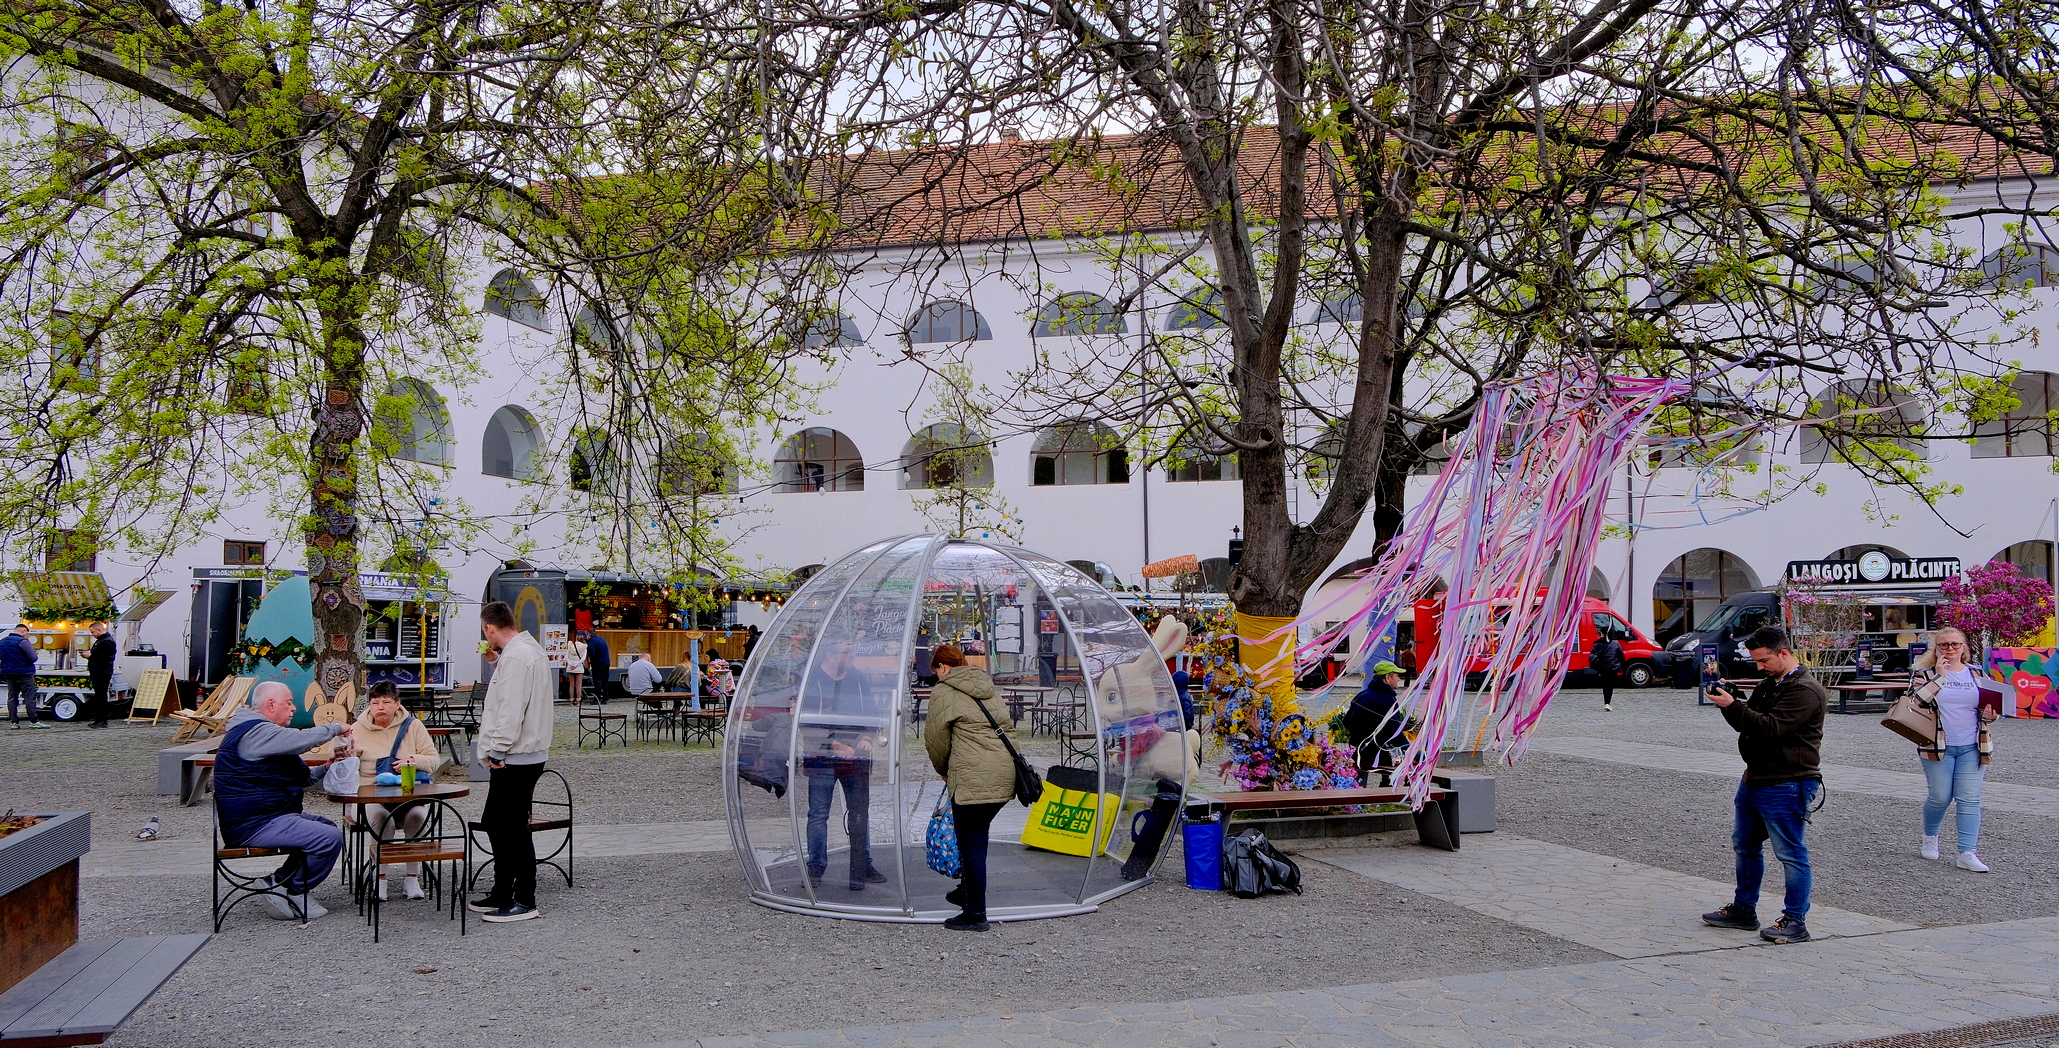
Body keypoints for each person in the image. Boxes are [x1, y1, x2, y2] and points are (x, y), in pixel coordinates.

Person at [1701, 625, 1828, 944]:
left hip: (1787, 782)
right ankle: (1744, 909)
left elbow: (1771, 729)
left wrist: (1733, 705)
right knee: (1745, 845)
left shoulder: (1805, 690)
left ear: (1784, 653)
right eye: (1756, 661)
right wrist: (1729, 701)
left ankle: (1796, 920)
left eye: (1763, 660)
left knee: (1791, 853)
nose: (1759, 667)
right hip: (1755, 778)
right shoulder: (1772, 682)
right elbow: (1748, 722)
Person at [216, 681, 352, 919]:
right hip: (254, 823)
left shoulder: (265, 736)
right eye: (288, 703)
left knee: (327, 828)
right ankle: (293, 889)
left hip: (266, 816)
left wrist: (328, 766)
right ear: (270, 704)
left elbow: (302, 779)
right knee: (329, 838)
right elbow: (303, 739)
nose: (293, 709)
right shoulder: (256, 731)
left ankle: (279, 883)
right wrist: (336, 728)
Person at [922, 643, 1017, 931]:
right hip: (1003, 774)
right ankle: (966, 893)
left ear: (943, 667)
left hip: (972, 777)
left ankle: (975, 913)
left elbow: (936, 740)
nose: (937, 675)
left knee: (972, 845)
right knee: (975, 839)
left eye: (936, 670)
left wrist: (943, 771)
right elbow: (1008, 729)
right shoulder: (986, 685)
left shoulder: (944, 691)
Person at [472, 600, 555, 923]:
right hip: (521, 752)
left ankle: (524, 897)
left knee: (513, 827)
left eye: (486, 631)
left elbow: (511, 707)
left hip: (515, 755)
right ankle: (503, 889)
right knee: (497, 822)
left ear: (489, 629)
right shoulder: (524, 651)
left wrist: (497, 749)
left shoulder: (518, 657)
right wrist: (497, 661)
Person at [1909, 627, 2008, 872]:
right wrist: (1940, 677)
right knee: (1940, 797)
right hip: (1937, 744)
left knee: (1969, 799)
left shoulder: (1976, 673)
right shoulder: (1925, 673)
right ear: (1936, 648)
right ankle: (1930, 835)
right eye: (1944, 645)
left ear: (1964, 647)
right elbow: (1916, 702)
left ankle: (1967, 852)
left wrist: (1991, 715)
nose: (1950, 649)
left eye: (1955, 644)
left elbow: (1989, 708)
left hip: (1973, 745)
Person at [347, 681, 445, 901]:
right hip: (369, 795)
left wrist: (414, 760)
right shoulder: (356, 729)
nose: (380, 707)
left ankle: (412, 877)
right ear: (369, 705)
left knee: (418, 816)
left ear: (397, 704)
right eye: (375, 703)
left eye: (386, 702)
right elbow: (345, 765)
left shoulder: (413, 726)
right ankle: (380, 878)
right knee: (383, 820)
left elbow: (433, 760)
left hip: (405, 796)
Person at [801, 638, 885, 891]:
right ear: (829, 654)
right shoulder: (812, 680)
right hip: (822, 755)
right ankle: (816, 866)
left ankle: (862, 865)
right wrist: (836, 745)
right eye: (845, 653)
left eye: (852, 653)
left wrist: (867, 738)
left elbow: (871, 713)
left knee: (860, 813)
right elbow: (808, 722)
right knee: (818, 814)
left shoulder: (858, 679)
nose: (850, 658)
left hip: (856, 755)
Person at [1344, 661, 1410, 784]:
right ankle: (1388, 796)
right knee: (1397, 769)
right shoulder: (1386, 700)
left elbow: (1347, 722)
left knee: (1357, 782)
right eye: (1396, 675)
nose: (1399, 679)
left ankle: (1359, 798)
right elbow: (1393, 729)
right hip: (1375, 752)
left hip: (1357, 748)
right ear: (1387, 677)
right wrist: (1408, 748)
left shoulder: (1362, 695)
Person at [2, 623, 44, 729]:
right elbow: (33, 657)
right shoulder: (23, 642)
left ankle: (14, 722)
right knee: (29, 697)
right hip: (24, 673)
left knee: (12, 697)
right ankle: (34, 721)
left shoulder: (2, 642)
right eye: (27, 633)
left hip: (9, 674)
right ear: (23, 631)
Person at [85, 621, 115, 728]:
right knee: (99, 696)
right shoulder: (102, 641)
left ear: (99, 630)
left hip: (102, 672)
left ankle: (102, 720)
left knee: (101, 696)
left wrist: (90, 656)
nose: (92, 634)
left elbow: (103, 657)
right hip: (100, 671)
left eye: (93, 632)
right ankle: (100, 719)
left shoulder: (106, 642)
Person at [1590, 629, 1625, 712]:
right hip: (1613, 668)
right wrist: (1622, 667)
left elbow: (1592, 655)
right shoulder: (1616, 644)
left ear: (1603, 634)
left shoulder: (1597, 644)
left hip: (1603, 668)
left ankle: (1607, 702)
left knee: (1605, 685)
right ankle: (1608, 703)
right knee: (1610, 685)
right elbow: (1621, 656)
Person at [582, 629, 612, 705]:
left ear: (589, 635)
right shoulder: (602, 639)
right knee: (605, 681)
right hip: (606, 662)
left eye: (586, 635)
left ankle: (597, 698)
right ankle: (605, 697)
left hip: (598, 664)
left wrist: (589, 660)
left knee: (597, 681)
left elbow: (592, 653)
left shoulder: (592, 641)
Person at [565, 632, 587, 705]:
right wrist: (576, 665)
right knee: (578, 685)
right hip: (579, 667)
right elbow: (583, 659)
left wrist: (571, 664)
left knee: (571, 685)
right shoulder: (584, 647)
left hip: (570, 667)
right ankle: (578, 701)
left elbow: (566, 657)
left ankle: (571, 701)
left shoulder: (570, 646)